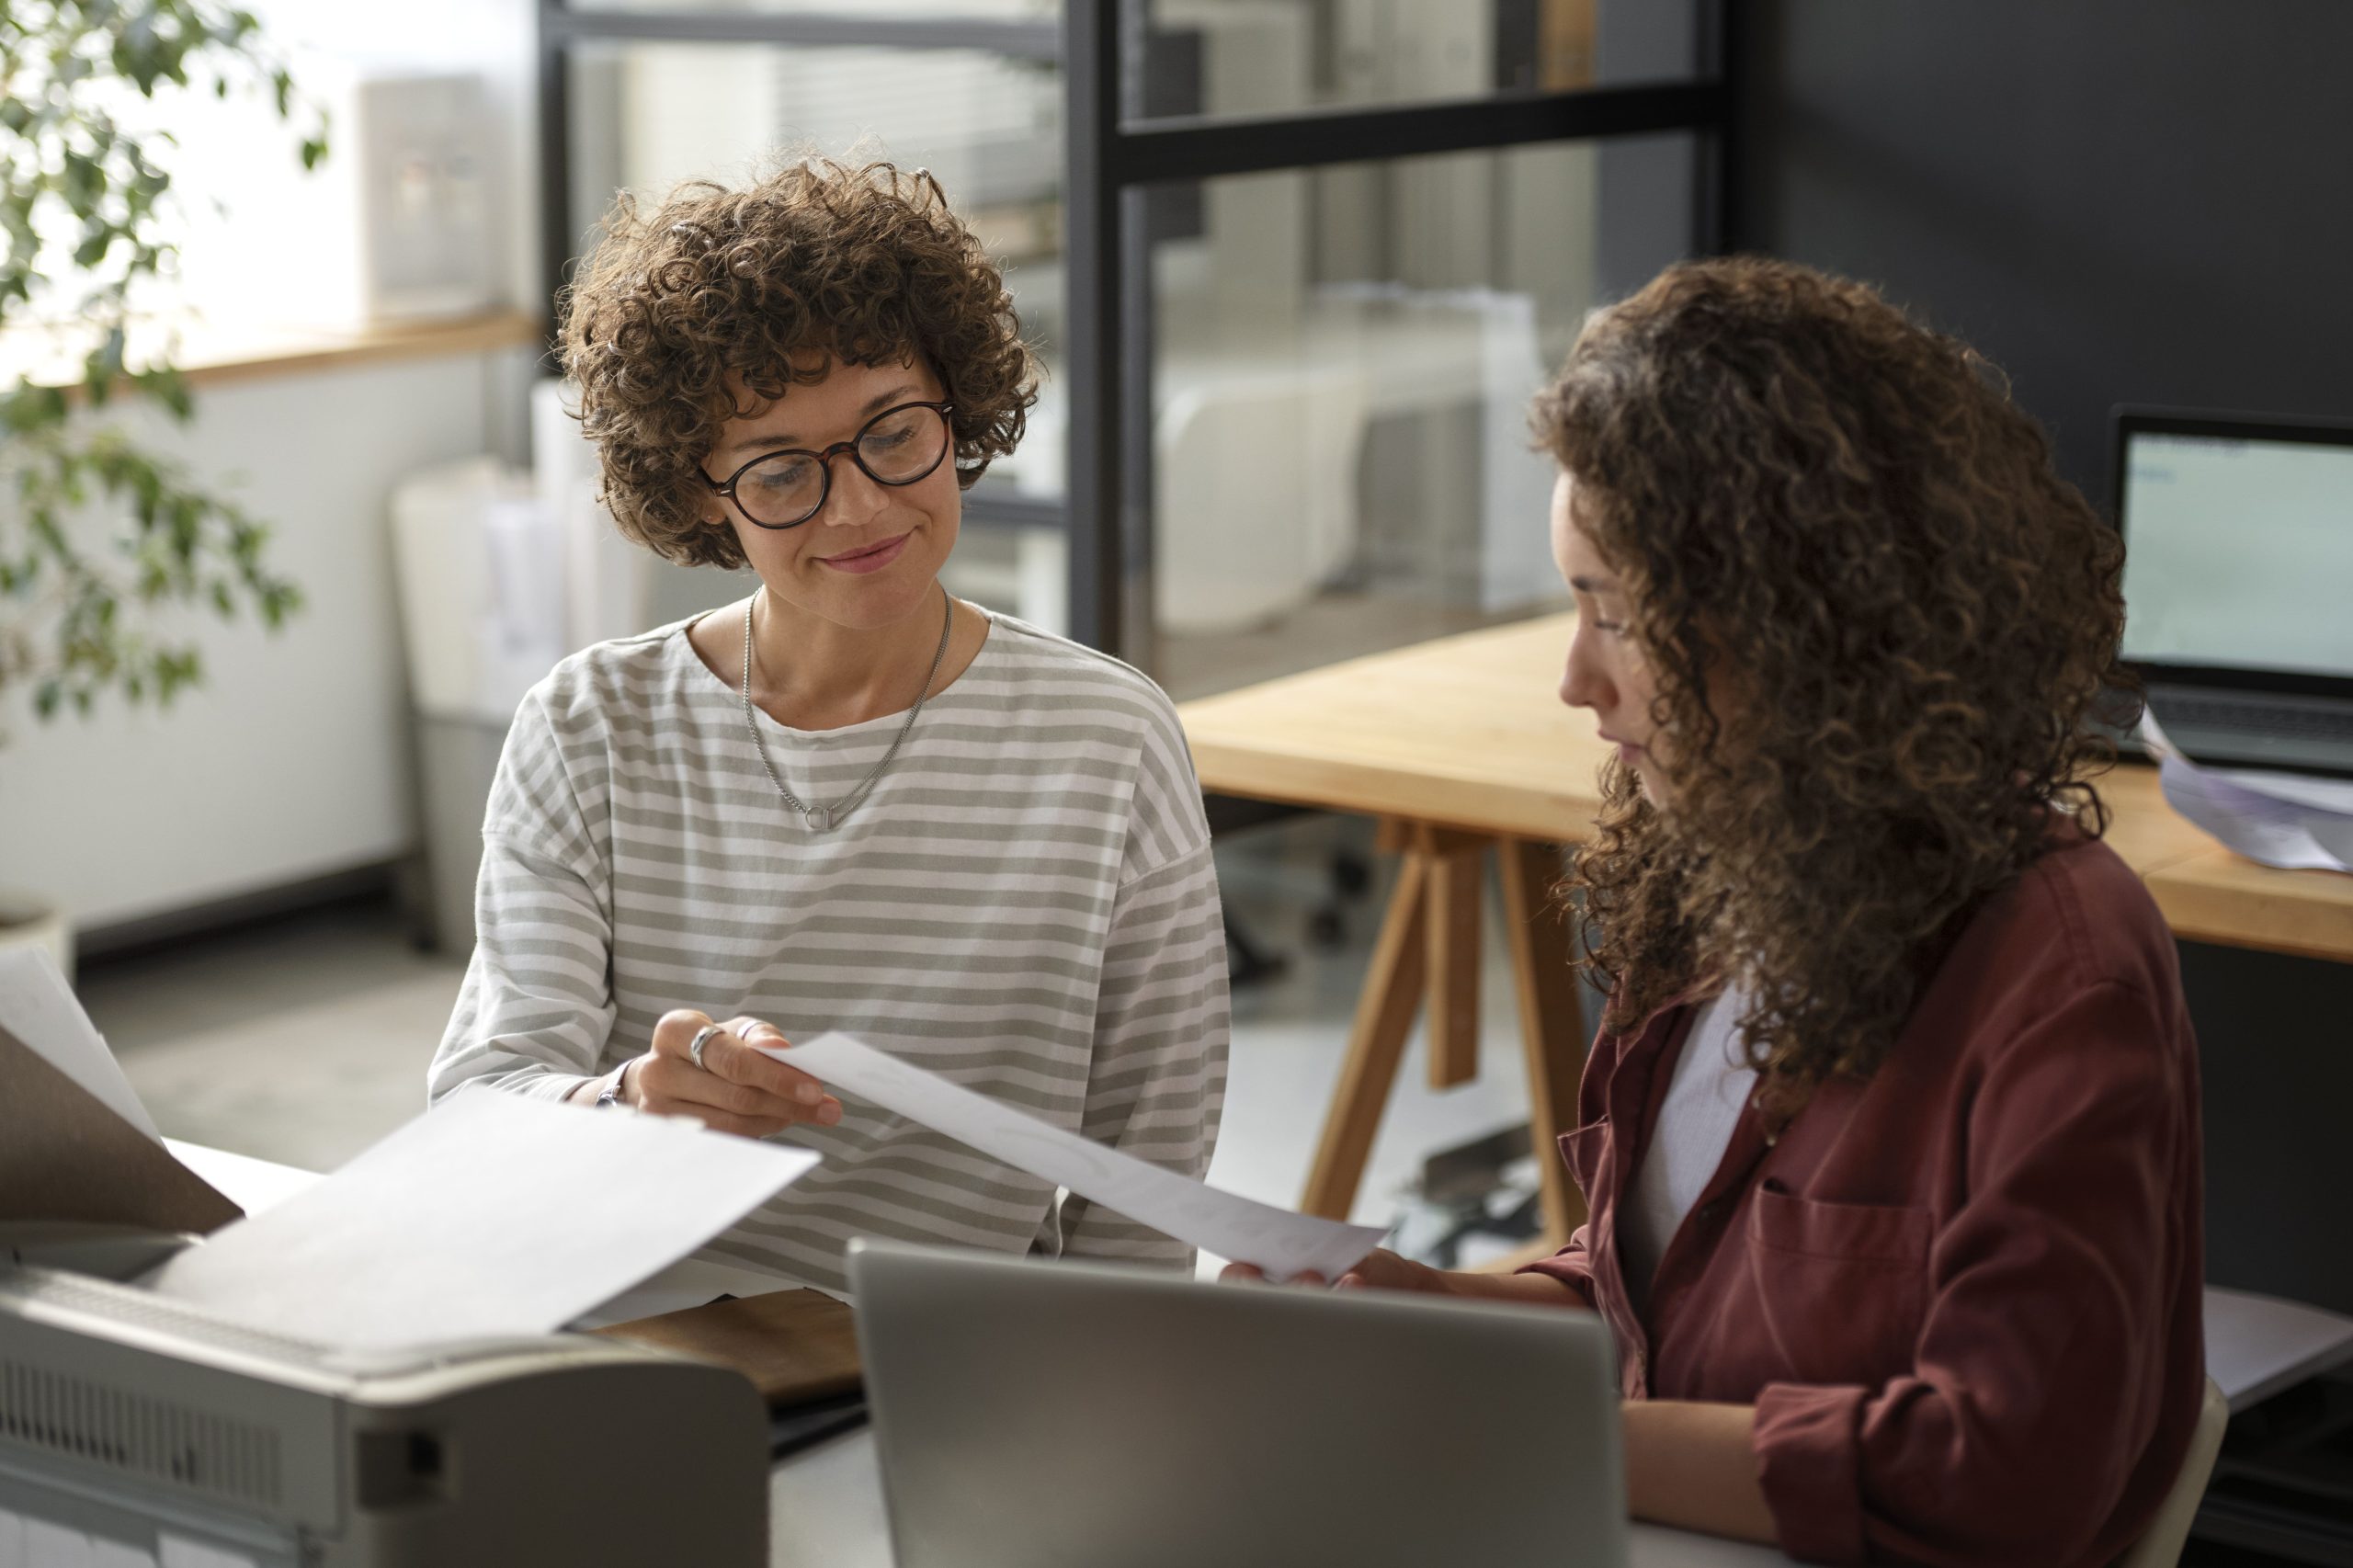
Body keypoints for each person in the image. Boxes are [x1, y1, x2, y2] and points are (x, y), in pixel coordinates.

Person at [1233, 257, 2204, 1565]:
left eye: (1617, 616)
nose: (1576, 682)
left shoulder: (2059, 971)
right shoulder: (1720, 881)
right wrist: (1431, 1316)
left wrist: (1514, 1424)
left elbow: (2006, 1469)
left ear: (1806, 630)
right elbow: (1661, 1312)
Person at [427, 158, 1229, 1294]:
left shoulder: (1105, 739)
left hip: (949, 1363)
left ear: (956, 403)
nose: (856, 506)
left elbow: (1145, 1178)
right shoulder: (588, 730)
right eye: (780, 471)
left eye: (893, 433)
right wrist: (624, 1100)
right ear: (702, 486)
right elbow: (477, 1109)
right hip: (635, 1343)